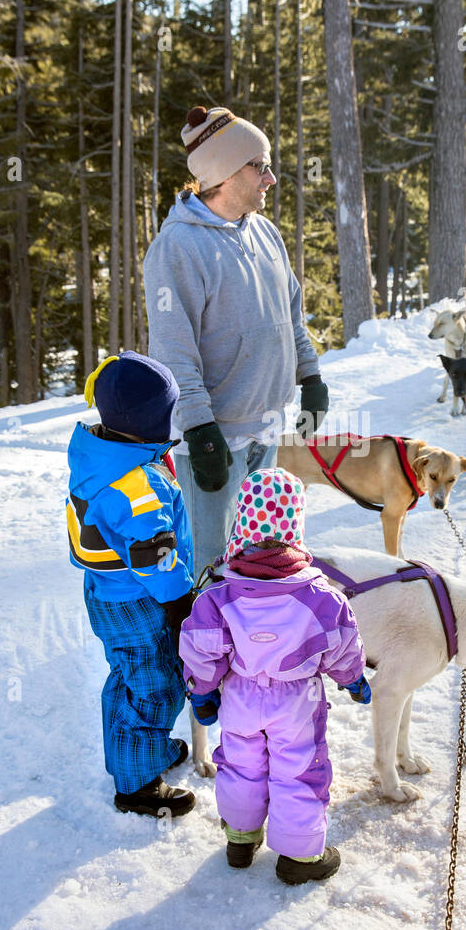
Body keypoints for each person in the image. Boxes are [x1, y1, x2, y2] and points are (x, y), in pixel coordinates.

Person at [143, 104, 329, 579]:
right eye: (259, 166)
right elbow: (172, 350)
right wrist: (200, 431)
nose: (270, 178)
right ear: (225, 173)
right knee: (212, 564)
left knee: (265, 560)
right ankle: (206, 653)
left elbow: (290, 314)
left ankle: (260, 651)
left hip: (266, 431)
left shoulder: (266, 232)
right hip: (213, 441)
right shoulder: (177, 248)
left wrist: (310, 375)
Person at [178, 469, 371, 885]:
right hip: (296, 702)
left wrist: (203, 692)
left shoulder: (220, 595)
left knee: (241, 764)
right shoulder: (321, 598)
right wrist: (353, 678)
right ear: (295, 523)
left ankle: (241, 839)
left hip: (240, 698)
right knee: (298, 768)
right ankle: (299, 858)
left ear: (242, 519)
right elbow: (342, 643)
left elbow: (202, 648)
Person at [66, 351, 197, 818]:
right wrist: (181, 601)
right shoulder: (136, 486)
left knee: (127, 675)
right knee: (155, 685)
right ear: (148, 421)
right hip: (139, 600)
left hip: (105, 591)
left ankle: (141, 752)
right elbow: (155, 557)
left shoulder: (99, 453)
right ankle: (137, 784)